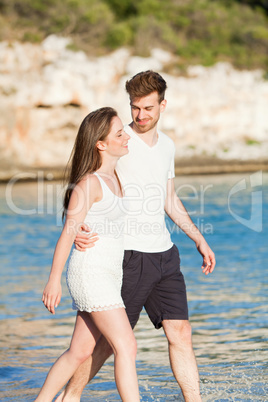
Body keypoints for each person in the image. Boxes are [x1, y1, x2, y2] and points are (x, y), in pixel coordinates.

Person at [56, 71, 216, 402]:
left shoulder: (167, 145)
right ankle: (69, 397)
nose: (140, 116)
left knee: (181, 332)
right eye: (134, 108)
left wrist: (198, 238)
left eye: (147, 108)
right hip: (128, 257)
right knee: (105, 344)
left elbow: (168, 198)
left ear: (163, 105)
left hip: (165, 255)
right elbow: (86, 183)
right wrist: (73, 232)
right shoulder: (119, 141)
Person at [35, 107, 140, 402]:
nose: (126, 136)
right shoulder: (89, 183)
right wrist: (53, 280)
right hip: (90, 274)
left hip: (109, 274)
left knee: (79, 351)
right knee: (126, 345)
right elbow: (68, 233)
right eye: (119, 133)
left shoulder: (116, 177)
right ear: (101, 144)